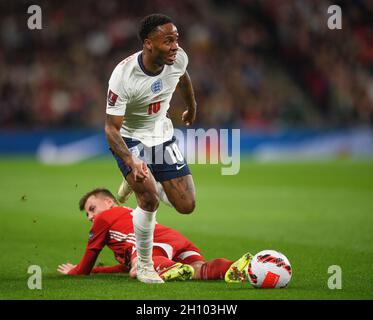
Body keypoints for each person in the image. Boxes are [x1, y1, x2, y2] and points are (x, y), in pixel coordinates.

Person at [104, 13, 197, 284]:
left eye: (176, 39)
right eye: (168, 40)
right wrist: (132, 161)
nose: (174, 46)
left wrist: (192, 105)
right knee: (149, 200)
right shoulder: (123, 76)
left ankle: (135, 182)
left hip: (161, 135)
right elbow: (111, 129)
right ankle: (144, 266)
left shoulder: (178, 58)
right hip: (130, 139)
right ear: (148, 43)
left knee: (187, 205)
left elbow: (182, 77)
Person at [57, 188, 252, 283]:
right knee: (200, 269)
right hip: (174, 240)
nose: (90, 217)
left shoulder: (105, 218)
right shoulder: (125, 219)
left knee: (139, 267)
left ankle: (173, 268)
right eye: (87, 214)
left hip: (152, 242)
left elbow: (89, 256)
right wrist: (101, 271)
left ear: (109, 202)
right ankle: (236, 266)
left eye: (92, 209)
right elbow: (124, 266)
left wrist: (75, 271)